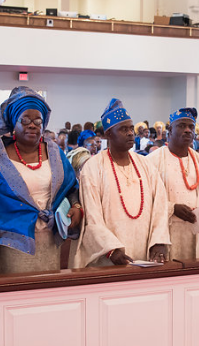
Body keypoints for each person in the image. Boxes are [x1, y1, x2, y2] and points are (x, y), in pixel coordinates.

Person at [0, 87, 82, 274]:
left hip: (50, 238)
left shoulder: (55, 153)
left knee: (48, 293)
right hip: (13, 241)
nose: (32, 125)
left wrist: (76, 207)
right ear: (13, 124)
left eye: (37, 121)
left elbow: (71, 187)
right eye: (25, 120)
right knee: (19, 295)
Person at [73, 99, 170, 267]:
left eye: (131, 128)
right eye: (124, 129)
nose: (131, 133)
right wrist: (111, 249)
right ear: (108, 134)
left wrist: (159, 240)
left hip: (146, 254)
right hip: (109, 257)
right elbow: (92, 215)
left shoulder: (145, 164)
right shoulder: (93, 168)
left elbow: (160, 205)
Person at [145, 107, 199, 260]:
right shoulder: (152, 161)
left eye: (191, 127)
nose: (188, 130)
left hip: (197, 229)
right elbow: (145, 197)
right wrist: (172, 208)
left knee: (195, 278)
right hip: (166, 231)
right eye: (182, 126)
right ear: (170, 130)